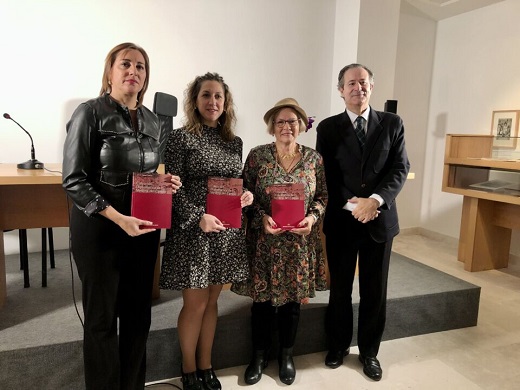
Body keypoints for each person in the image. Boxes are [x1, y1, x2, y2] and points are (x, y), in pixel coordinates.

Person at [62, 42, 182, 390]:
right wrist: (118, 218)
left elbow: (144, 172)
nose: (133, 71)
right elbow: (73, 180)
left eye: (141, 66)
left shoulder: (152, 120)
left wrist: (164, 181)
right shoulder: (90, 112)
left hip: (141, 230)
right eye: (125, 64)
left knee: (137, 318)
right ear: (110, 72)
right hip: (101, 230)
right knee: (101, 321)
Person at [316, 63, 410, 381]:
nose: (359, 87)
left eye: (364, 81)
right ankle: (338, 346)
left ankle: (369, 352)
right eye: (351, 83)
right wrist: (353, 205)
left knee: (375, 290)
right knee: (339, 289)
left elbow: (399, 168)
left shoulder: (392, 124)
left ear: (372, 86)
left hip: (379, 220)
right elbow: (327, 175)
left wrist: (375, 201)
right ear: (341, 90)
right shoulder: (327, 129)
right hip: (343, 221)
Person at [159, 72, 253, 390]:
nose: (212, 101)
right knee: (195, 303)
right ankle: (187, 370)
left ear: (226, 104)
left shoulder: (234, 142)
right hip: (194, 230)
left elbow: (237, 184)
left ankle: (206, 365)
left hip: (225, 231)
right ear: (195, 101)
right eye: (206, 95)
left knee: (213, 302)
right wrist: (198, 217)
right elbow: (173, 185)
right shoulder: (179, 137)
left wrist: (247, 195)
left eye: (218, 97)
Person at [232, 98, 328, 386]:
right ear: (272, 127)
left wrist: (312, 218)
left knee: (292, 304)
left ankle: (287, 355)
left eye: (292, 121)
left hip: (299, 245)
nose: (287, 126)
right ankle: (258, 357)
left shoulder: (314, 159)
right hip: (265, 243)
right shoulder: (257, 156)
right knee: (261, 303)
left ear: (301, 125)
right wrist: (261, 217)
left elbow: (323, 197)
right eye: (280, 122)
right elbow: (244, 195)